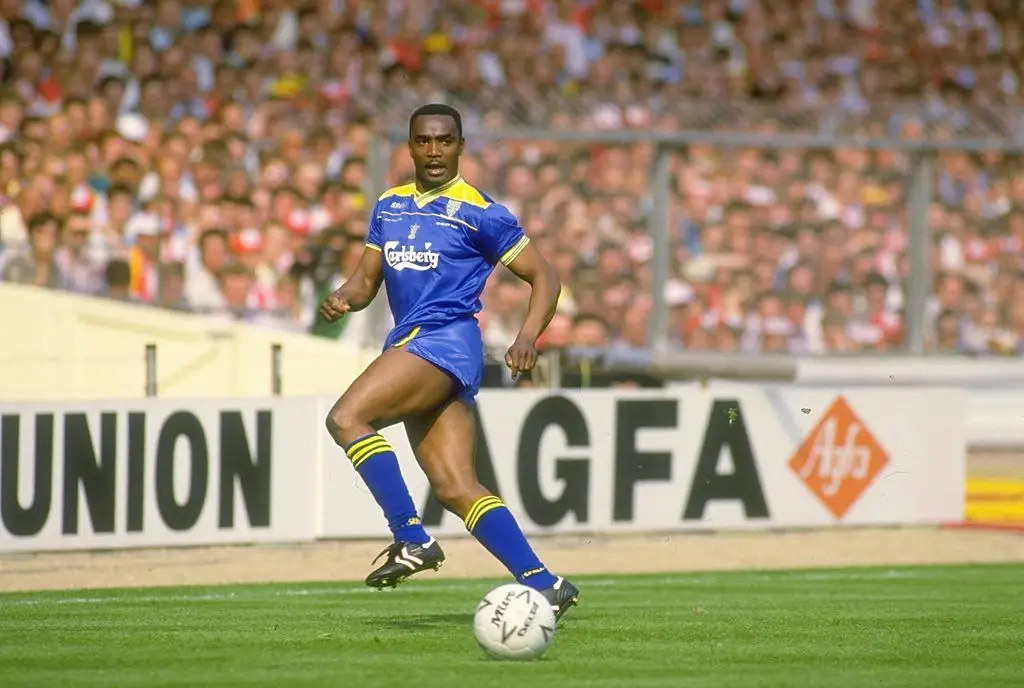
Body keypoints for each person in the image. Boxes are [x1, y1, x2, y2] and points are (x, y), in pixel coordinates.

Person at [319, 104, 578, 619]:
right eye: (423, 141)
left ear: (461, 146)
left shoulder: (481, 211)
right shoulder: (389, 207)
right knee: (457, 487)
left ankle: (411, 537)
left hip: (444, 341)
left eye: (444, 141)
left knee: (346, 417)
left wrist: (529, 335)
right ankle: (546, 583)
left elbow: (545, 276)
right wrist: (343, 297)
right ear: (410, 146)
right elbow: (366, 282)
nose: (434, 151)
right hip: (412, 343)